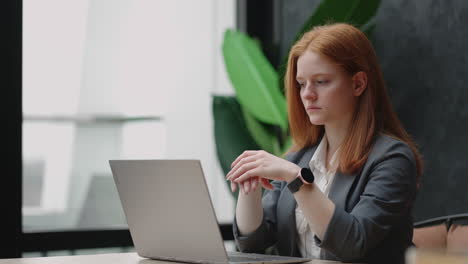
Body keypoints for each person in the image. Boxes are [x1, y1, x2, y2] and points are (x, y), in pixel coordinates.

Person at [225, 23, 423, 264]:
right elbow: (253, 243)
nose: (307, 94)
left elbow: (352, 243)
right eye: (301, 84)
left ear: (358, 84)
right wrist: (250, 190)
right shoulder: (297, 158)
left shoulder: (393, 159)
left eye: (321, 81)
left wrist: (297, 178)